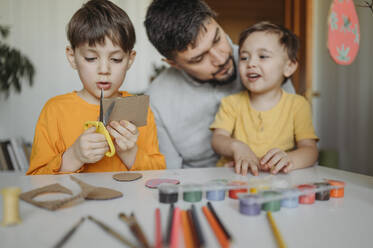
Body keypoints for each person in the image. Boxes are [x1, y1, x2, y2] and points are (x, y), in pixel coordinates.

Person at [144, 0, 295, 169]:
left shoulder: (265, 65)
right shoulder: (155, 102)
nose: (221, 59)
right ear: (174, 64)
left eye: (217, 39)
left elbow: (298, 147)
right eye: (199, 58)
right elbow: (171, 177)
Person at [27, 0, 165, 175]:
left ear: (130, 59)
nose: (104, 70)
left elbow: (159, 177)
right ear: (72, 57)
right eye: (91, 58)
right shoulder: (54, 111)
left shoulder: (138, 110)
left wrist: (129, 152)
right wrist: (74, 156)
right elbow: (34, 180)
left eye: (115, 59)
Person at [210, 22, 319, 176]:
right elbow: (217, 139)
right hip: (235, 176)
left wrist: (289, 159)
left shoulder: (298, 105)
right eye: (244, 57)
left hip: (276, 180)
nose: (251, 64)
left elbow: (310, 150)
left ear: (289, 67)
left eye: (263, 56)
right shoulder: (231, 103)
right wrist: (237, 147)